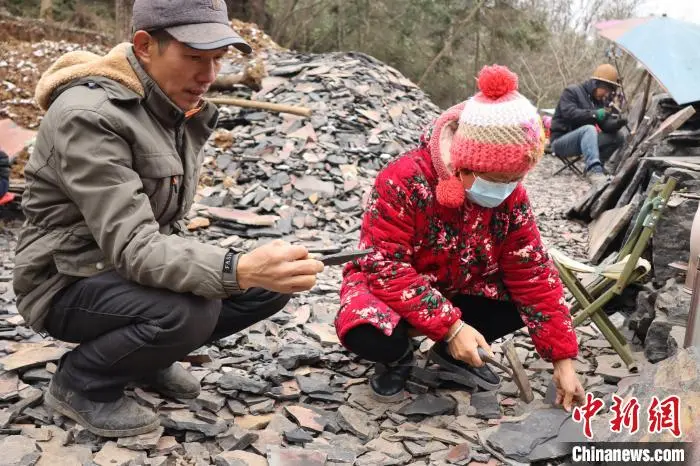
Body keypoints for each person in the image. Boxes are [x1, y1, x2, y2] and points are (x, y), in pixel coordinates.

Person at [13, 0, 324, 438]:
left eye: (217, 59)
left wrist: (248, 271)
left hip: (121, 269)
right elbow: (135, 247)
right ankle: (80, 383)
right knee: (191, 311)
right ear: (144, 46)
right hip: (65, 279)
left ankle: (145, 357)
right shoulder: (89, 116)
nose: (209, 75)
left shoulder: (167, 106)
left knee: (268, 287)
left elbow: (163, 227)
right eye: (194, 57)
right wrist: (235, 269)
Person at [335, 65, 585, 412]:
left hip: (458, 285)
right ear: (463, 165)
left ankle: (449, 355)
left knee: (521, 299)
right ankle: (398, 359)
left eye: (514, 178)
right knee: (367, 332)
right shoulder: (403, 180)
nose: (505, 189)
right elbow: (383, 266)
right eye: (496, 178)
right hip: (391, 288)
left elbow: (534, 273)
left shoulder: (511, 198)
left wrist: (563, 360)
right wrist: (451, 327)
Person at [550, 64, 627, 186]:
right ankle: (594, 171)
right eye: (605, 90)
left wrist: (618, 123)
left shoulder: (598, 102)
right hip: (561, 142)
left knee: (618, 136)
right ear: (596, 84)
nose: (606, 94)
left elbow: (605, 126)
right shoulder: (571, 91)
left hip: (584, 142)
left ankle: (598, 167)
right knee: (589, 129)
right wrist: (594, 114)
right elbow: (569, 114)